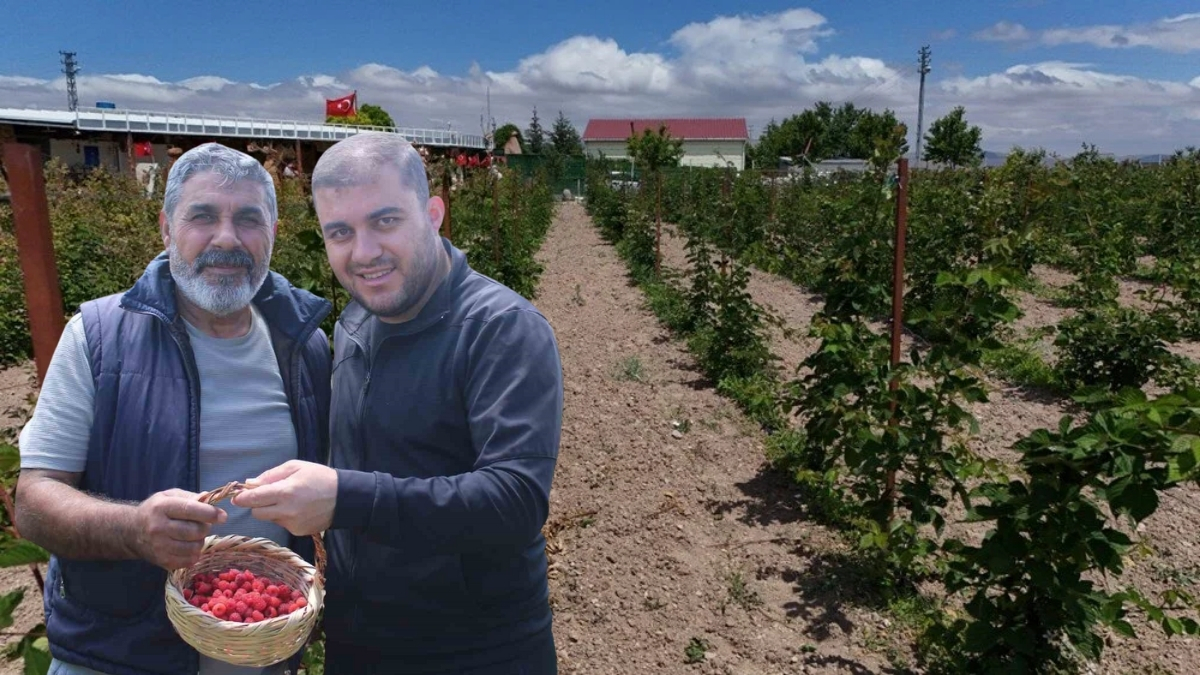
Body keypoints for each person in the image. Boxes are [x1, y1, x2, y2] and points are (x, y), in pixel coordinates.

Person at [232, 131, 563, 674]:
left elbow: (515, 503)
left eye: (385, 221)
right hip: (360, 639)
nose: (363, 253)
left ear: (433, 213)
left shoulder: (501, 329)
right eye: (340, 232)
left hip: (475, 650)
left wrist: (344, 500)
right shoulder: (358, 320)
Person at [14, 142, 333, 675]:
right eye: (202, 216)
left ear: (272, 235)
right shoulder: (98, 338)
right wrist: (134, 529)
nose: (226, 238)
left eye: (249, 219)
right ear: (166, 228)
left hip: (264, 653)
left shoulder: (303, 347)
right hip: (118, 658)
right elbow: (34, 500)